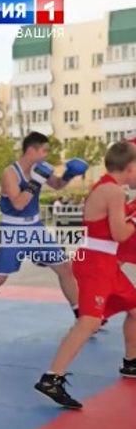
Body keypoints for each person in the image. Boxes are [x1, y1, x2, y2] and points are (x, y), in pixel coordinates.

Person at [35, 140, 136, 409]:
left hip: (104, 262)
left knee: (135, 308)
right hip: (96, 264)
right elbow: (121, 233)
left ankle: (131, 362)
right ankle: (51, 378)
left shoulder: (105, 186)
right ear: (129, 167)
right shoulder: (114, 192)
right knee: (88, 322)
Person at [0, 132, 87, 330]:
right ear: (31, 150)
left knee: (65, 268)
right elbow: (18, 204)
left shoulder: (39, 169)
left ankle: (81, 316)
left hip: (35, 228)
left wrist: (69, 174)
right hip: (13, 229)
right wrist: (34, 183)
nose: (46, 155)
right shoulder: (10, 173)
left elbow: (57, 185)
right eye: (44, 150)